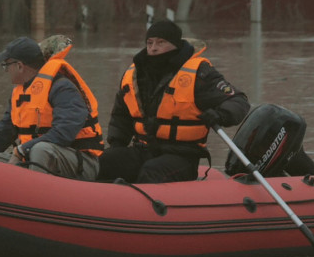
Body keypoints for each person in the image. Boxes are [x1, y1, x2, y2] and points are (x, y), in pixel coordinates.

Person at [97, 20, 250, 183]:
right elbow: (121, 116)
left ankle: (140, 205)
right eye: (149, 43)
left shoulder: (198, 74)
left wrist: (220, 115)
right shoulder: (135, 75)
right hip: (143, 150)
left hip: (182, 156)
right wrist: (117, 144)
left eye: (160, 42)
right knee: (105, 161)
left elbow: (238, 101)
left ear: (175, 45)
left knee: (152, 172)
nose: (153, 48)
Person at [0, 36, 102, 180]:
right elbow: (2, 133)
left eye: (6, 65)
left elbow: (64, 133)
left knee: (40, 149)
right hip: (31, 156)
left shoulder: (62, 88)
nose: (6, 70)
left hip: (81, 162)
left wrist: (22, 150)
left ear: (20, 66)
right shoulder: (20, 94)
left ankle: (33, 195)